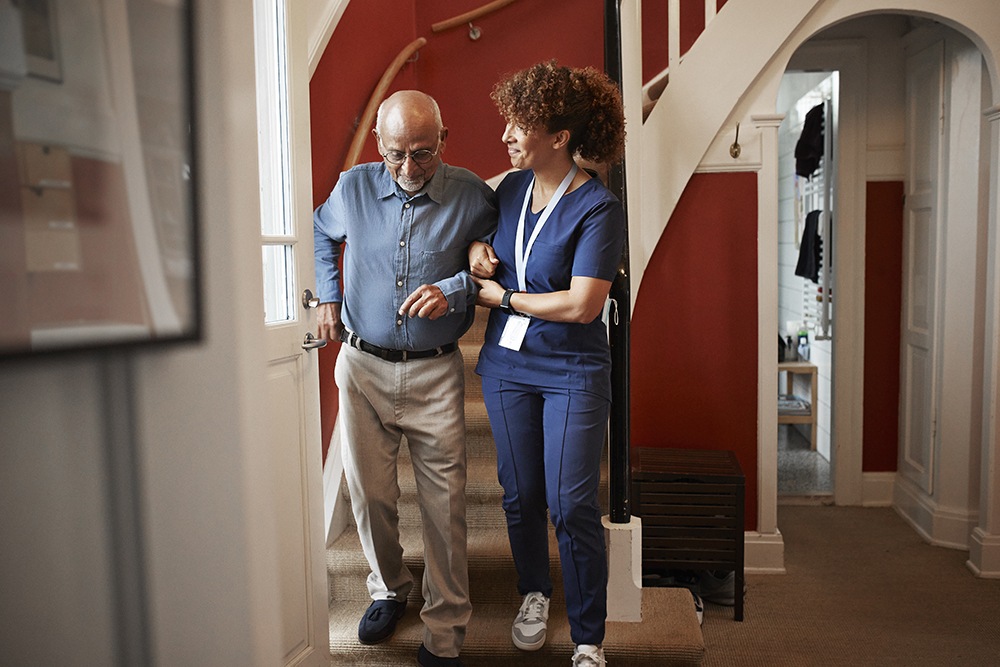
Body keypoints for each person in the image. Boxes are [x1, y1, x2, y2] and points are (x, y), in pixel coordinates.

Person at [314, 90, 497, 667]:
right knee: (369, 496)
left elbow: (503, 261)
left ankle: (444, 630)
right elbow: (322, 233)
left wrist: (459, 286)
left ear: (444, 140)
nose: (409, 169)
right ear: (380, 145)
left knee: (444, 507)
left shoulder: (473, 195)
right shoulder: (354, 187)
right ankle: (390, 587)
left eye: (422, 153)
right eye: (397, 155)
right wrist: (327, 296)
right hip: (361, 367)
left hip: (435, 373)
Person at [468, 61, 626, 667]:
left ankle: (588, 638)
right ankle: (533, 593)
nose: (507, 133)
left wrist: (503, 298)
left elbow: (584, 303)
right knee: (521, 494)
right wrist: (476, 247)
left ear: (558, 138)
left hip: (572, 372)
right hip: (508, 368)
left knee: (571, 504)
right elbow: (472, 227)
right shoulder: (508, 188)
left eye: (521, 124)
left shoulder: (597, 207)